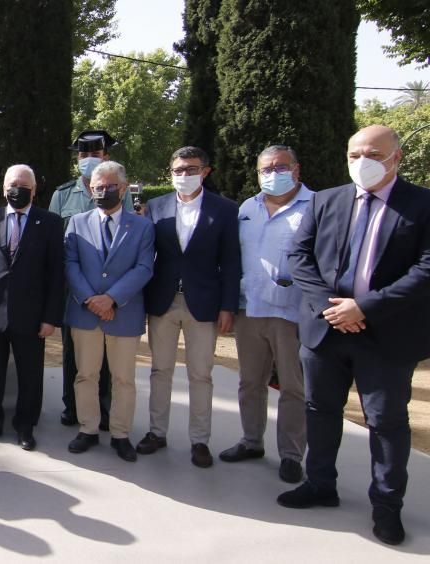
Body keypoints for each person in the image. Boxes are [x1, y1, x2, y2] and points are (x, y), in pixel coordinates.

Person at [279, 125, 430, 546]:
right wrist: (333, 305)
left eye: (373, 154)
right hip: (326, 330)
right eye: (354, 154)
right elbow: (299, 255)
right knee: (320, 410)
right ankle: (320, 484)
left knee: (386, 423)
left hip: (387, 335)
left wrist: (365, 307)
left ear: (396, 158)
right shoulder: (327, 201)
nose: (362, 162)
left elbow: (426, 269)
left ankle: (386, 506)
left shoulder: (422, 204)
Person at [137, 146, 241, 468]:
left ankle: (199, 440)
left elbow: (232, 262)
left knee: (200, 374)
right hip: (162, 301)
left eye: (191, 169)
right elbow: (146, 254)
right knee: (160, 371)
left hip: (204, 303)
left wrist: (228, 306)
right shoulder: (155, 207)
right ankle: (157, 432)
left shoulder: (224, 210)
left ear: (205, 171)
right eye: (178, 170)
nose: (183, 175)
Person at [220, 145, 311, 483]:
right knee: (250, 381)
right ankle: (251, 440)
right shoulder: (248, 208)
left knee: (292, 386)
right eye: (265, 169)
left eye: (280, 167)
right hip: (251, 308)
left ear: (296, 169)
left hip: (292, 313)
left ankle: (290, 454)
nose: (272, 174)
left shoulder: (314, 206)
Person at [0, 165, 64, 450]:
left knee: (30, 376)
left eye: (23, 185)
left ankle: (25, 427)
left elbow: (56, 274)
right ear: (3, 188)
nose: (16, 189)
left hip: (33, 317)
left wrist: (50, 318)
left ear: (33, 190)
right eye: (12, 184)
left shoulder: (50, 223)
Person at [63, 161, 154, 462]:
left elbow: (144, 268)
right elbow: (71, 265)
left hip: (124, 313)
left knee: (123, 379)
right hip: (85, 312)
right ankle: (88, 428)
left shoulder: (142, 226)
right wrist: (92, 299)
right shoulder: (77, 222)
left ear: (123, 188)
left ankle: (120, 434)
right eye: (97, 187)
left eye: (109, 186)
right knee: (85, 375)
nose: (102, 191)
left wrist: (112, 299)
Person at [50, 130, 121, 430]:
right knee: (72, 351)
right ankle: (73, 405)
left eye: (95, 154)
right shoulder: (63, 194)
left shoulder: (120, 191)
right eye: (83, 155)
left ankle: (104, 408)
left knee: (108, 352)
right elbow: (53, 243)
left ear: (105, 156)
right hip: (74, 288)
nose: (88, 160)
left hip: (109, 290)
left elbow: (126, 238)